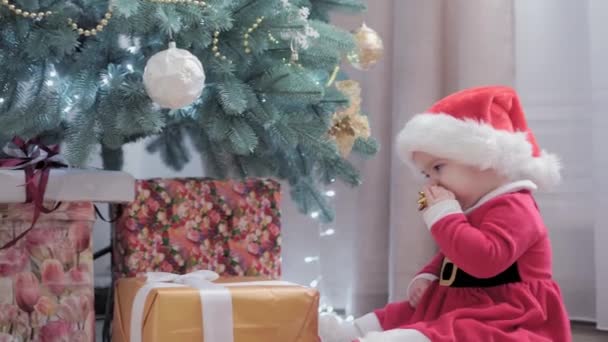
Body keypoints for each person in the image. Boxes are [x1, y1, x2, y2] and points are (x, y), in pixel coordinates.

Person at [319, 85, 572, 342]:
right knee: (406, 312)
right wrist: (428, 275)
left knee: (460, 331)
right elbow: (451, 253)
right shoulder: (475, 206)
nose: (432, 183)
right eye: (427, 174)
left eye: (439, 167)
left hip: (506, 310)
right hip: (467, 299)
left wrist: (445, 216)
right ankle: (345, 333)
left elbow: (484, 260)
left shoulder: (516, 207)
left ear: (486, 160)